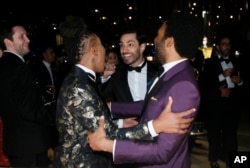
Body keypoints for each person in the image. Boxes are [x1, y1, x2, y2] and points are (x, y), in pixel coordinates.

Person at [53, 15, 196, 168]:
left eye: (130, 44)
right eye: (104, 46)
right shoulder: (79, 86)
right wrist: (155, 126)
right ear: (94, 51)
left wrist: (121, 120)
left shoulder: (81, 81)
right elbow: (106, 134)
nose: (109, 52)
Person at [0, 21, 56, 166]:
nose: (28, 40)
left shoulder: (3, 66)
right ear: (8, 42)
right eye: (22, 36)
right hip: (31, 145)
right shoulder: (19, 68)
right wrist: (56, 116)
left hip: (15, 144)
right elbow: (28, 109)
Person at [201, 34, 243, 168]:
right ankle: (214, 160)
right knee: (214, 134)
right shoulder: (209, 63)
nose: (227, 46)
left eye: (228, 44)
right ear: (218, 47)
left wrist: (239, 82)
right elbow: (204, 84)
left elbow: (243, 84)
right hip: (215, 104)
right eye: (224, 43)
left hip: (231, 104)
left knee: (231, 134)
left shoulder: (236, 62)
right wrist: (222, 76)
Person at [100, 28, 159, 102]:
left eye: (130, 44)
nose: (124, 50)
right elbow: (100, 95)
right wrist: (105, 77)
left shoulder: (158, 72)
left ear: (142, 47)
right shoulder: (116, 74)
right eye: (121, 45)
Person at [28, 44, 60, 151]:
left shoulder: (54, 68)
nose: (53, 55)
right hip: (44, 106)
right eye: (51, 53)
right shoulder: (38, 69)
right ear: (44, 54)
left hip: (53, 104)